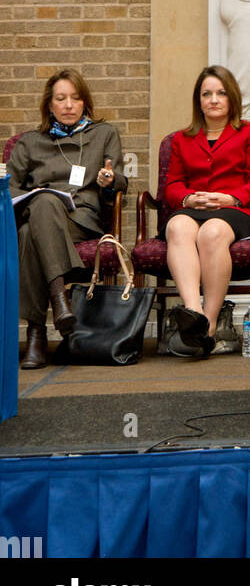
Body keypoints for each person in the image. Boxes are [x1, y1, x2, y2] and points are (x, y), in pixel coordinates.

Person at [8, 69, 125, 369]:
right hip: (40, 216)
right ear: (50, 105)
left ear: (85, 102)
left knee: (33, 224)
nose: (69, 105)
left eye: (75, 98)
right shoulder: (29, 142)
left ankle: (37, 333)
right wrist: (29, 197)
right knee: (36, 216)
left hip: (81, 218)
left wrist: (109, 180)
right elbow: (10, 187)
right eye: (61, 99)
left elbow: (120, 179)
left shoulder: (104, 134)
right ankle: (59, 304)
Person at [162, 65, 250, 358]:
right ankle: (193, 313)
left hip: (237, 210)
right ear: (198, 100)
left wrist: (230, 198)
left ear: (231, 97)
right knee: (177, 227)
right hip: (195, 208)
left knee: (212, 232)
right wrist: (188, 199)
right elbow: (171, 186)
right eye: (206, 94)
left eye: (221, 93)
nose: (214, 99)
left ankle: (206, 327)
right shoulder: (181, 139)